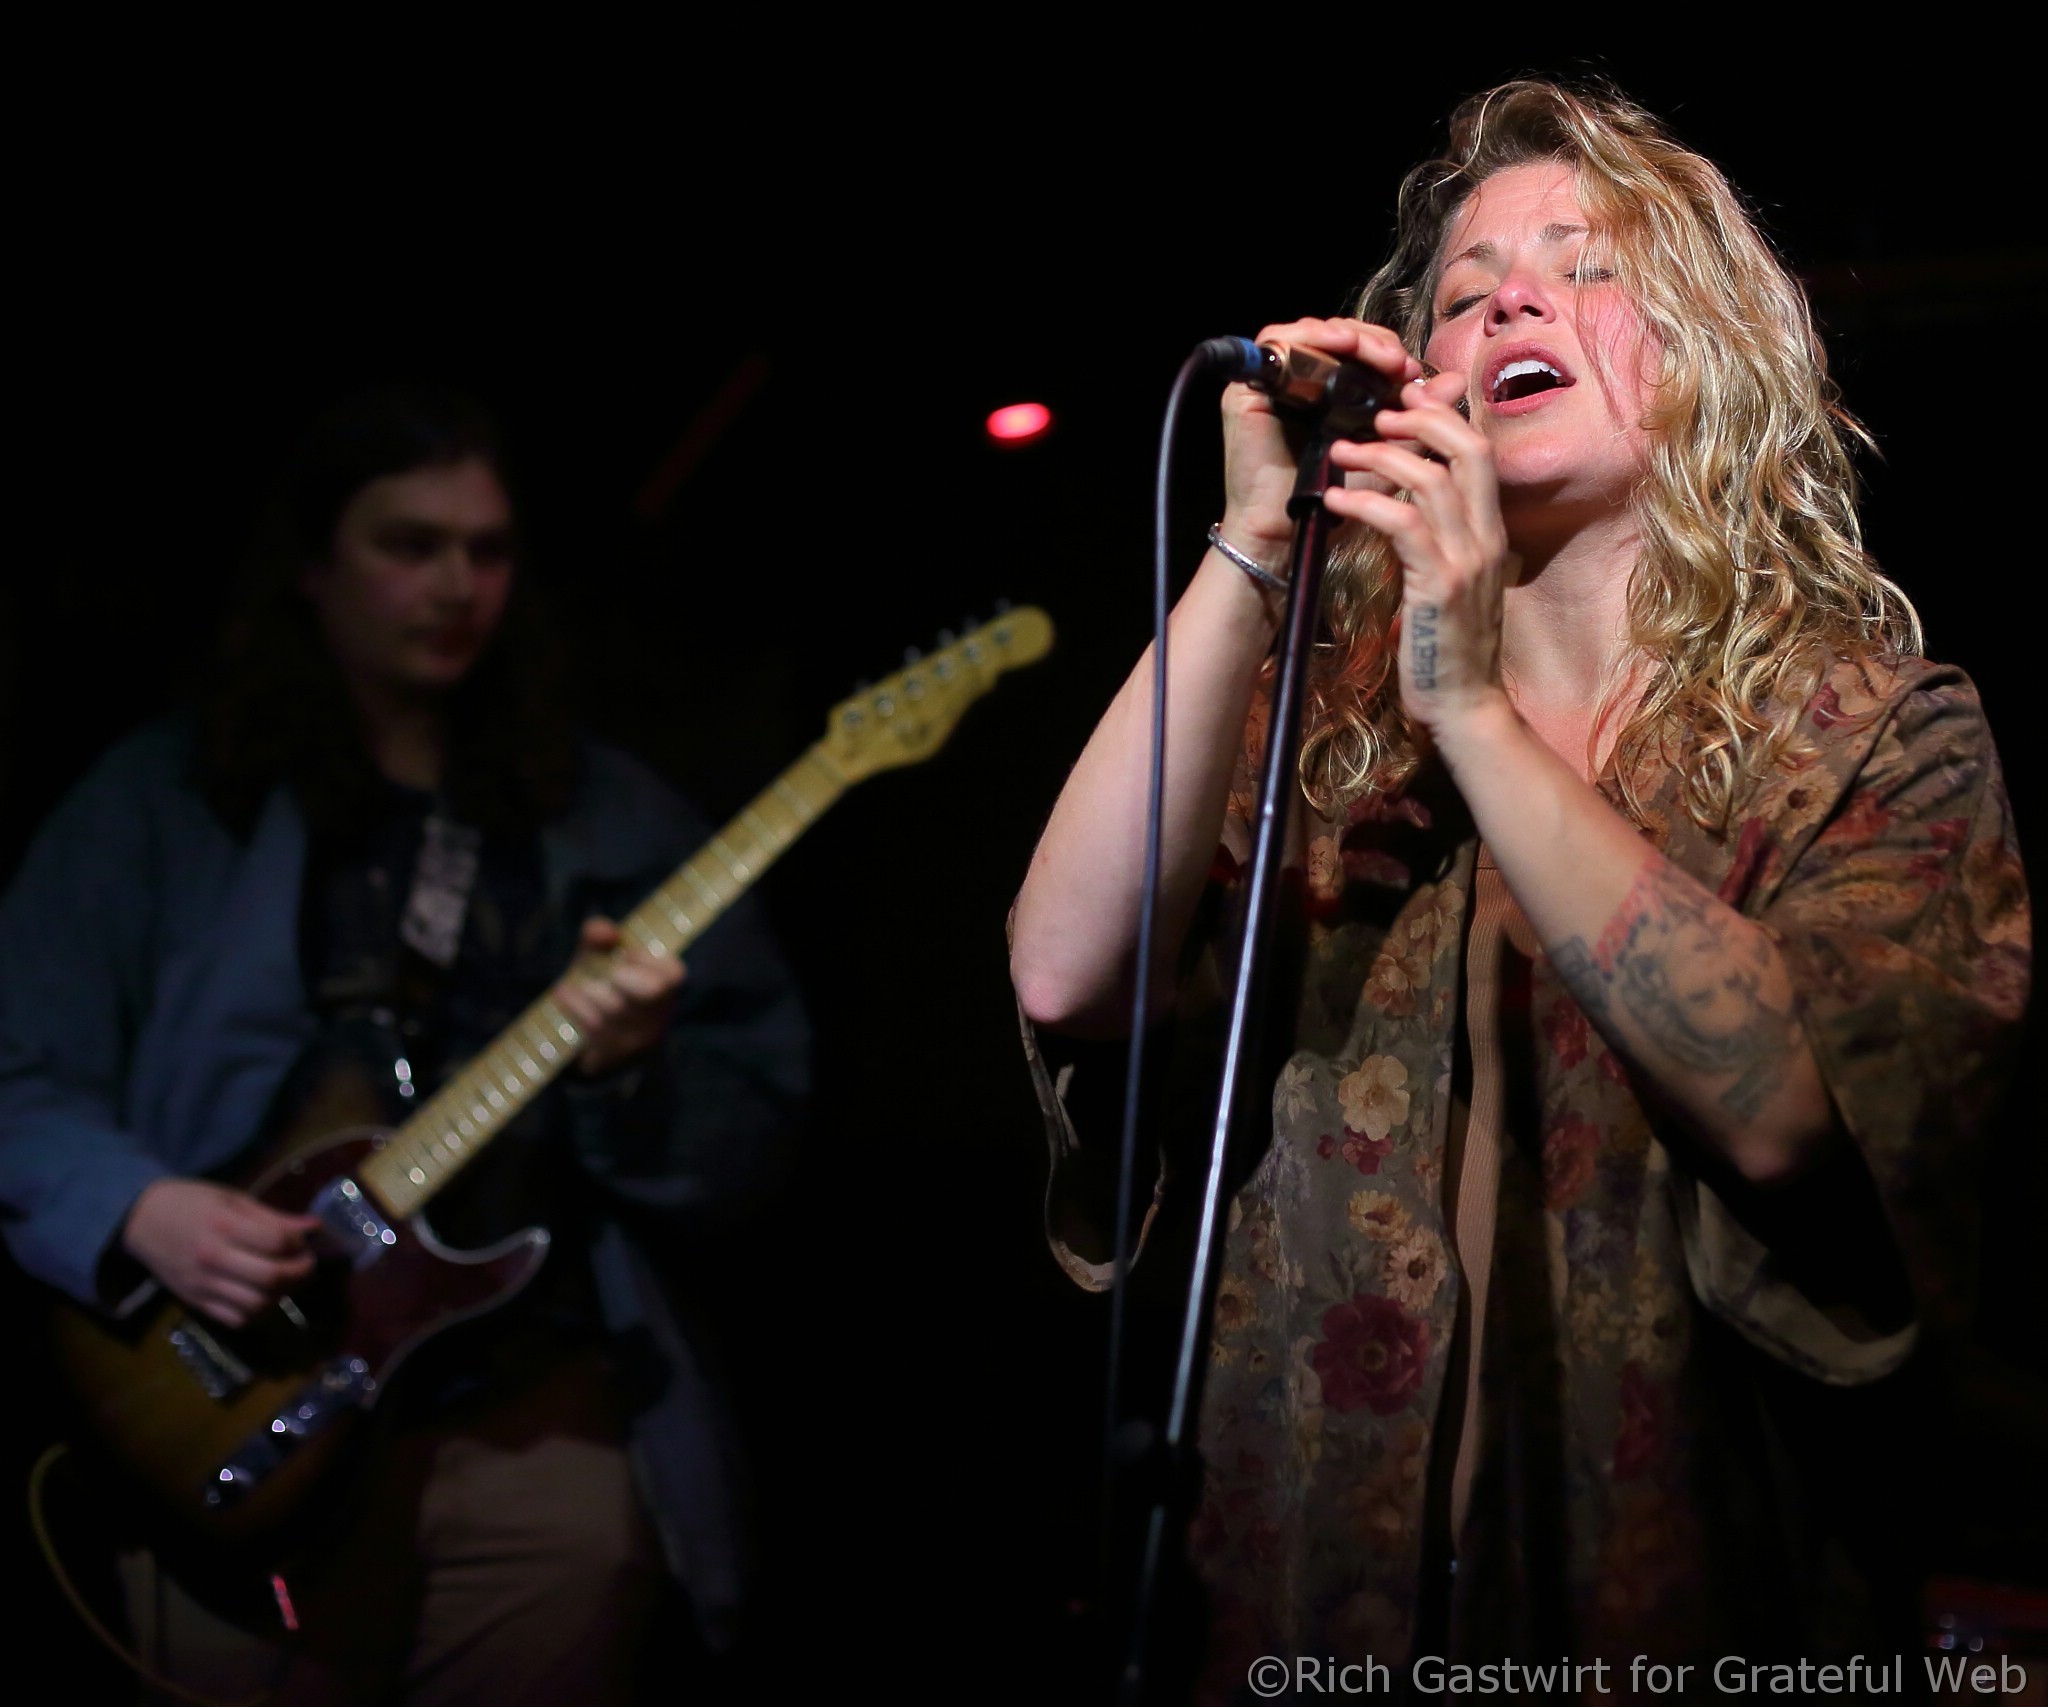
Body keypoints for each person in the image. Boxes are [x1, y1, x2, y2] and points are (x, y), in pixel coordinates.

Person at [1009, 80, 2029, 1689]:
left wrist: (1476, 711)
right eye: (1464, 293)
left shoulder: (1867, 739)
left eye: (1587, 267)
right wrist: (1255, 544)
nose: (1510, 306)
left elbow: (1787, 1108)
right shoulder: (1315, 742)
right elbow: (1065, 972)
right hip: (1301, 1620)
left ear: (1714, 352)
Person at [0, 388, 808, 1703]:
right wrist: (138, 1211)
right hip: (231, 1403)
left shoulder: (614, 816)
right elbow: (17, 1066)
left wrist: (632, 1073)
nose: (455, 586)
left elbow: (754, 1140)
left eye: (487, 551)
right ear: (313, 566)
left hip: (534, 1413)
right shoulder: (164, 798)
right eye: (409, 544)